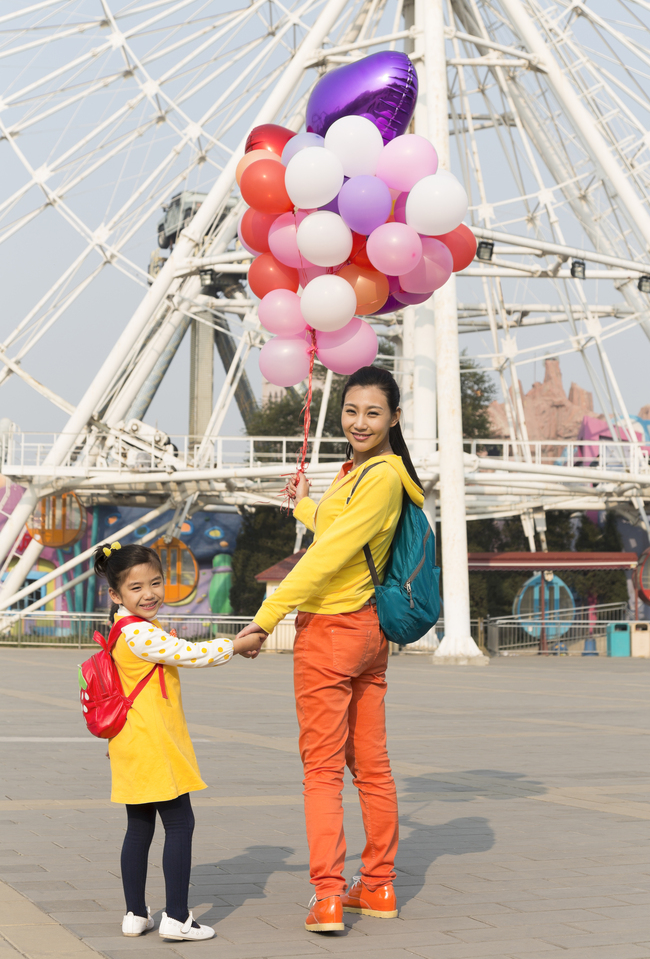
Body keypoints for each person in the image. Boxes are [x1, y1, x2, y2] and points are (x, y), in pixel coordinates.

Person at [235, 365, 425, 933]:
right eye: (351, 410)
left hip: (332, 632)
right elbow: (341, 527)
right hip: (367, 635)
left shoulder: (382, 476)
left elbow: (326, 555)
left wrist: (266, 619)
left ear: (395, 417)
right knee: (372, 767)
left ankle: (327, 895)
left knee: (322, 770)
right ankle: (380, 885)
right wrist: (303, 505)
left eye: (373, 412)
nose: (359, 422)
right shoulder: (368, 474)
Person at [93, 542, 265, 942]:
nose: (149, 593)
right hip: (153, 744)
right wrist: (236, 646)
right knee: (180, 823)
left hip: (131, 742)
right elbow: (188, 653)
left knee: (138, 827)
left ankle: (136, 914)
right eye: (136, 588)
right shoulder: (137, 632)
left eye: (155, 582)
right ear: (116, 595)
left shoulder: (124, 629)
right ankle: (176, 918)